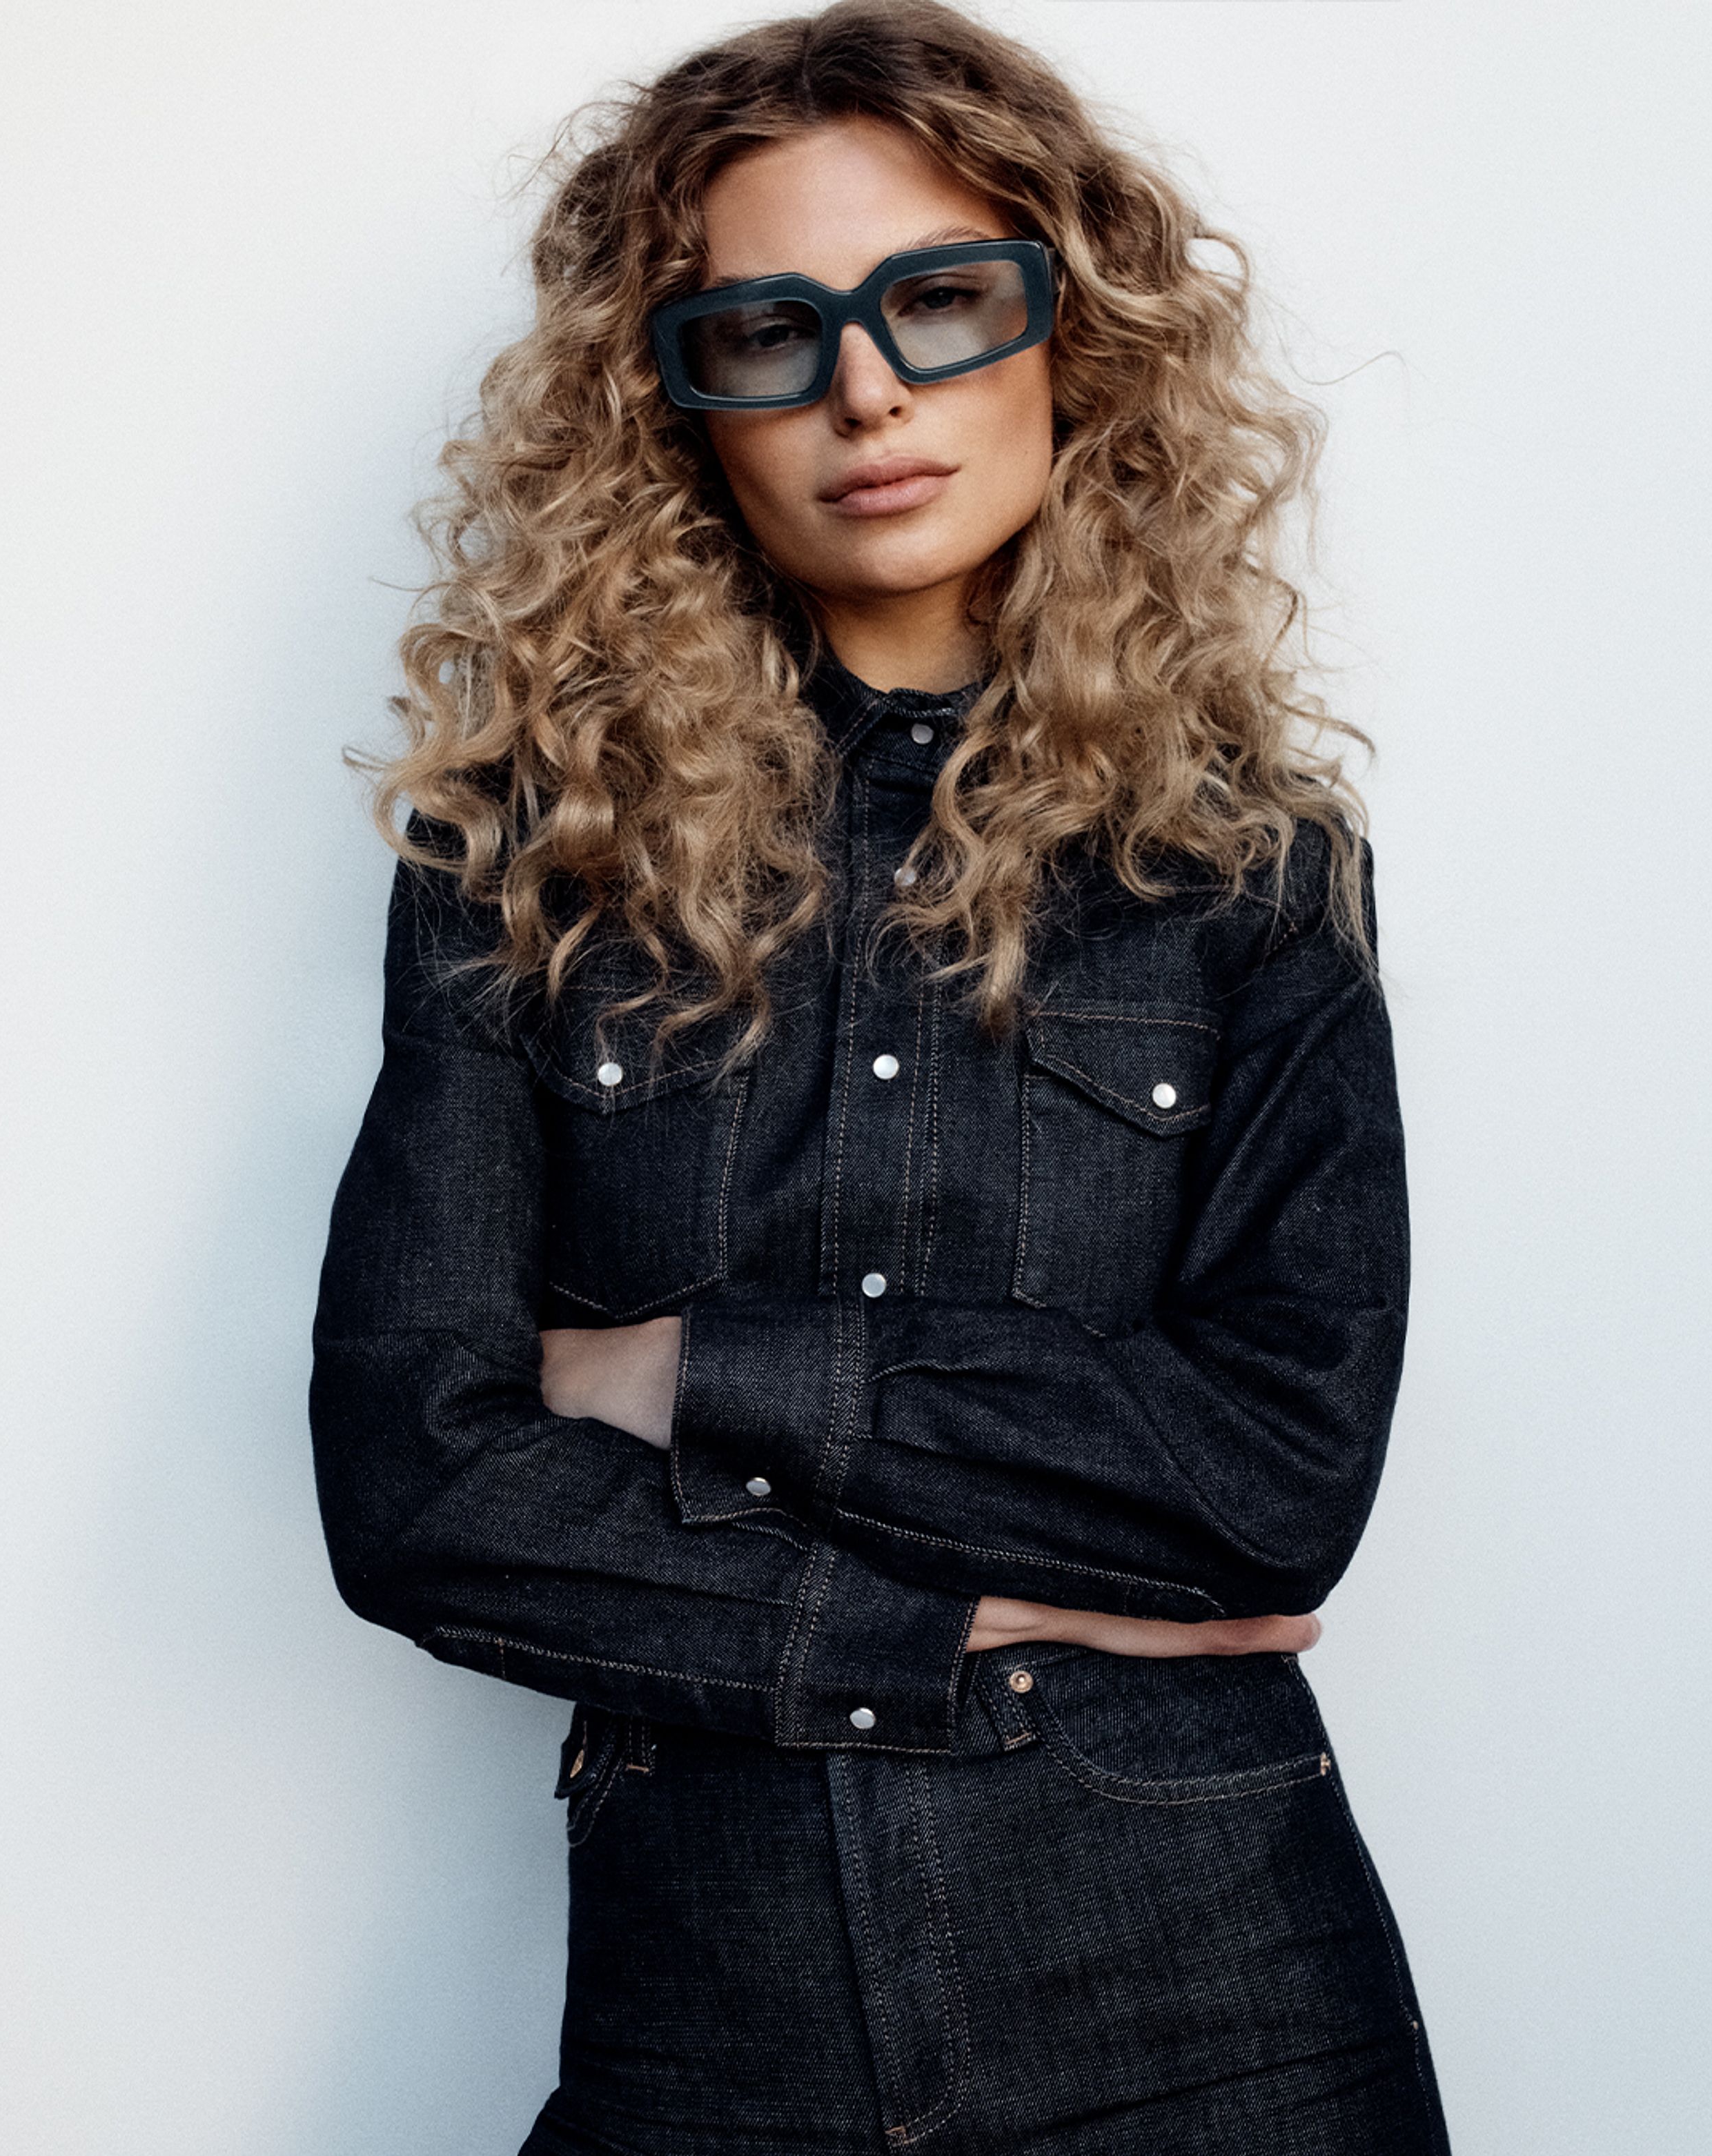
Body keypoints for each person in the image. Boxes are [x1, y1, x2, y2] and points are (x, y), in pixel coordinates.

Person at [308, 3, 1451, 2148]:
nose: (864, 390)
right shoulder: (519, 865)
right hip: (706, 2017)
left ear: (1069, 335)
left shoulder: (1247, 870)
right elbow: (417, 1485)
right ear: (675, 409)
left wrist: (672, 1374)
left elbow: (1277, 1476)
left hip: (1221, 2005)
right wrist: (965, 1615)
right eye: (769, 329)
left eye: (935, 298)